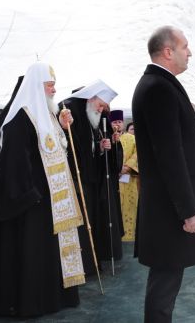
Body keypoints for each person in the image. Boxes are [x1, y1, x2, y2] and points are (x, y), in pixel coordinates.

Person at [0, 62, 84, 317]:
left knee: (48, 257)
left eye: (54, 84)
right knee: (31, 255)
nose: (54, 90)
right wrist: (32, 195)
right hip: (33, 204)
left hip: (53, 202)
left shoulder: (47, 116)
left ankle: (54, 298)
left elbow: (57, 152)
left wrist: (64, 130)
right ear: (36, 86)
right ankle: (32, 303)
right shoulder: (21, 117)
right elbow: (13, 163)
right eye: (49, 85)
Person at [132, 26, 195, 322]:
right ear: (168, 51)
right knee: (164, 285)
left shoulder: (161, 84)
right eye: (185, 46)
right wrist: (189, 210)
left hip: (168, 207)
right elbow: (170, 156)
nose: (189, 52)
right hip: (170, 210)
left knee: (166, 282)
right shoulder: (158, 88)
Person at [60, 80, 123, 269]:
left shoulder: (92, 115)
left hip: (92, 180)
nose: (103, 109)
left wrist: (104, 148)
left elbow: (92, 148)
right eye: (101, 104)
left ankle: (93, 262)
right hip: (76, 180)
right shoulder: (69, 110)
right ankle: (84, 265)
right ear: (91, 98)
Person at [115, 117, 139, 242]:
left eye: (119, 122)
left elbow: (137, 153)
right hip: (115, 181)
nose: (117, 125)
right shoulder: (109, 138)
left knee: (130, 206)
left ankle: (130, 236)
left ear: (123, 123)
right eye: (114, 122)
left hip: (129, 179)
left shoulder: (131, 138)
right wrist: (117, 169)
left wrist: (128, 166)